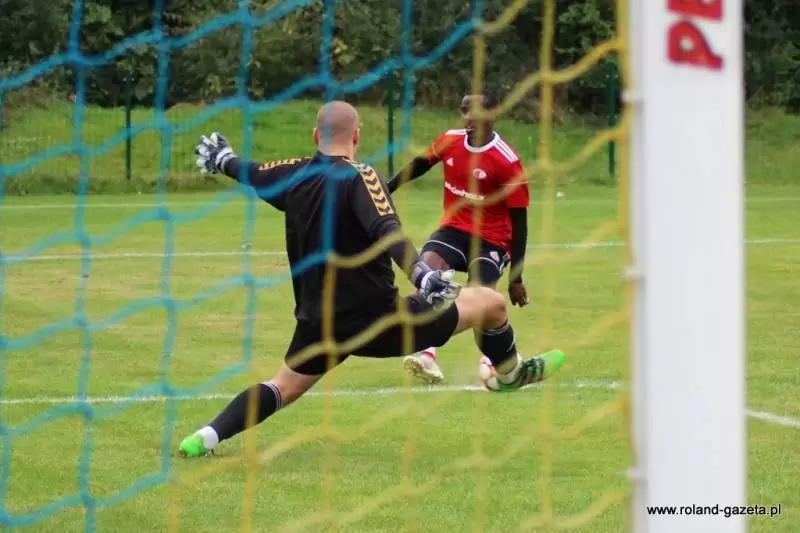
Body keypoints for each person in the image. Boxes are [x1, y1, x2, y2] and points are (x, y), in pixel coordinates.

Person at [178, 101, 564, 458]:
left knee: (281, 387)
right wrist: (422, 275)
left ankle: (204, 437)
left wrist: (223, 160)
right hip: (382, 323)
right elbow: (387, 231)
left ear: (315, 136)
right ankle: (509, 374)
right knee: (491, 304)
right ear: (357, 136)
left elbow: (254, 173)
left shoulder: (294, 174)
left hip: (320, 326)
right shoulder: (362, 177)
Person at [386, 90, 530, 385]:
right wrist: (387, 188)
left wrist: (516, 278)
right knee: (427, 275)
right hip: (453, 230)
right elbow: (421, 163)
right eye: (464, 112)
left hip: (492, 240)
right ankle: (426, 353)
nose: (468, 119)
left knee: (480, 301)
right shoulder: (450, 140)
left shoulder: (507, 161)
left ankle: (494, 360)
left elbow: (520, 223)